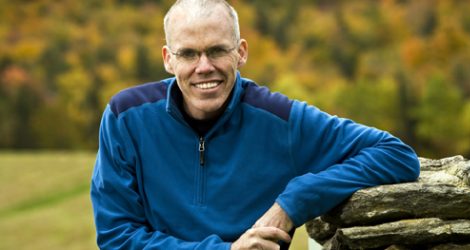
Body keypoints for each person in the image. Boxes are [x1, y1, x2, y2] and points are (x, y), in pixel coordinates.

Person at [90, 0, 420, 249]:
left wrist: (294, 202)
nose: (204, 67)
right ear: (167, 58)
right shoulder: (126, 116)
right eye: (188, 54)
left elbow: (395, 154)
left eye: (217, 50)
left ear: (241, 52)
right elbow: (116, 237)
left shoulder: (281, 119)